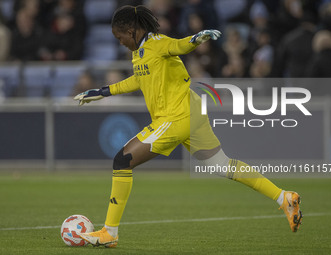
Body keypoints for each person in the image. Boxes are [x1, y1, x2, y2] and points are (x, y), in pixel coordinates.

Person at [74, 5, 302, 248]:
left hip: (175, 117)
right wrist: (103, 91)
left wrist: (196, 38)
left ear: (131, 31)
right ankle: (284, 197)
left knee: (122, 160)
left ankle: (110, 233)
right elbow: (139, 80)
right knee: (222, 165)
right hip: (192, 113)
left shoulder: (157, 42)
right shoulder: (138, 52)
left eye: (120, 37)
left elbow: (179, 45)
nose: (120, 42)